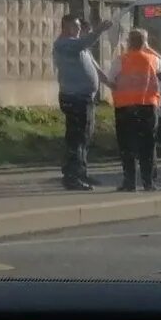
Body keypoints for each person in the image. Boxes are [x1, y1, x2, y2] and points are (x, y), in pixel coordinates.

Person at [53, 13, 113, 191]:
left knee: (85, 137)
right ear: (65, 27)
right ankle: (71, 177)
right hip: (75, 98)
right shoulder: (64, 44)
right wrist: (100, 30)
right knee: (77, 138)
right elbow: (84, 42)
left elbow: (94, 67)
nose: (79, 29)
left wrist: (109, 83)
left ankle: (81, 172)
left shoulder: (79, 46)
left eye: (79, 27)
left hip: (84, 98)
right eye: (75, 26)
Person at [109, 29, 161, 192]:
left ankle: (129, 182)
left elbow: (110, 78)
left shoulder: (121, 60)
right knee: (148, 146)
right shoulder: (152, 59)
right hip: (148, 107)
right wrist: (148, 48)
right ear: (145, 42)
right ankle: (148, 182)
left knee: (127, 146)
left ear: (128, 42)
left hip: (125, 108)